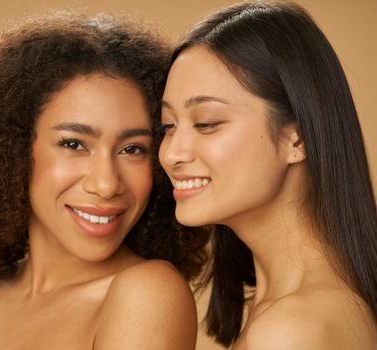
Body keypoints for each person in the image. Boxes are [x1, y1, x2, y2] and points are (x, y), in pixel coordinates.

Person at [0, 12, 209, 349]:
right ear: (13, 150)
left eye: (132, 149)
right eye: (73, 144)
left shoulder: (147, 293)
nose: (106, 184)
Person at [159, 1, 377, 349]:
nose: (171, 154)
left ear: (298, 138)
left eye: (207, 123)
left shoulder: (290, 330)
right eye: (168, 126)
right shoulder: (291, 307)